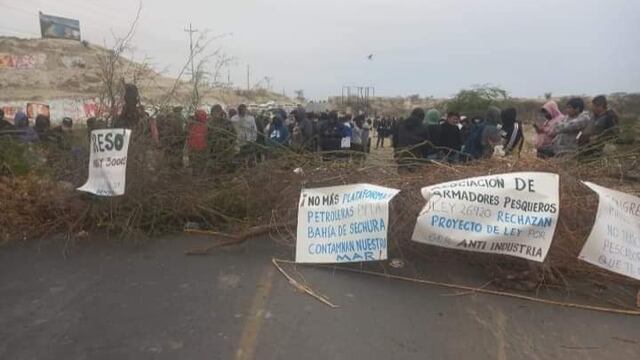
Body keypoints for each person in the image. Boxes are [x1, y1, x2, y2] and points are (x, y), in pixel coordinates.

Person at [187, 109, 209, 174]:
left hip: (195, 147)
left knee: (195, 162)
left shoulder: (192, 126)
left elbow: (189, 137)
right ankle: (200, 174)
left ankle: (196, 173)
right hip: (202, 147)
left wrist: (189, 147)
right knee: (201, 162)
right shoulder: (206, 126)